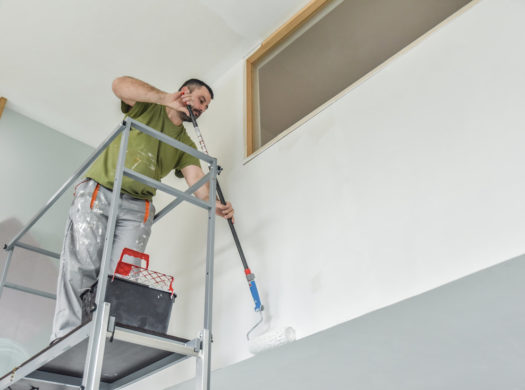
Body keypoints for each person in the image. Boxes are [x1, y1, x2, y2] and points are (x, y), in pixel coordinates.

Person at [50, 76, 234, 342]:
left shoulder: (185, 145)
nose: (202, 110)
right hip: (101, 192)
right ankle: (65, 339)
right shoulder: (149, 106)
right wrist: (163, 98)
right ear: (185, 93)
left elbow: (198, 184)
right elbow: (118, 85)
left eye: (206, 108)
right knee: (82, 267)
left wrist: (215, 205)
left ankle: (103, 343)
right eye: (201, 101)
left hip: (137, 210)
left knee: (122, 280)